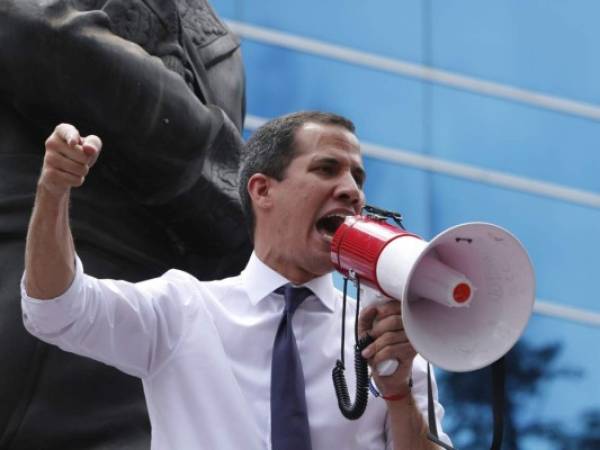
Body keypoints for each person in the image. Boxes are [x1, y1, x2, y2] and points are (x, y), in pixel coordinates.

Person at [21, 112, 452, 449]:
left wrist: (397, 393)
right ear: (262, 190)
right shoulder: (183, 309)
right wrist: (54, 190)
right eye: (327, 169)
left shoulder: (388, 338)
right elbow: (56, 308)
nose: (352, 191)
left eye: (357, 177)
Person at [0, 1, 251, 448]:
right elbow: (40, 37)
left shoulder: (217, 39)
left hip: (145, 328)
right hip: (25, 261)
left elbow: (223, 234)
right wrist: (226, 170)